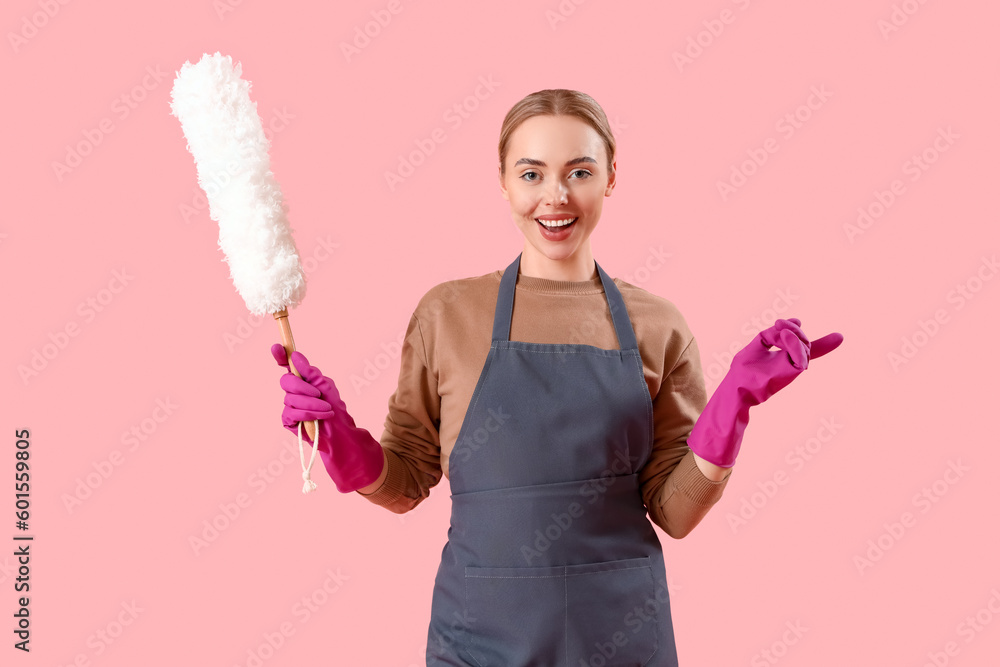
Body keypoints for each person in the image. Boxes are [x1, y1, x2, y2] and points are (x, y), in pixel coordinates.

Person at [272, 89, 843, 666]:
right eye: (532, 173)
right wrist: (338, 439)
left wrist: (733, 406)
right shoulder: (447, 314)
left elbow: (674, 512)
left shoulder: (658, 325)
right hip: (478, 643)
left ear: (612, 177)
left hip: (620, 639)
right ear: (502, 181)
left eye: (580, 171)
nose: (556, 196)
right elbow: (405, 482)